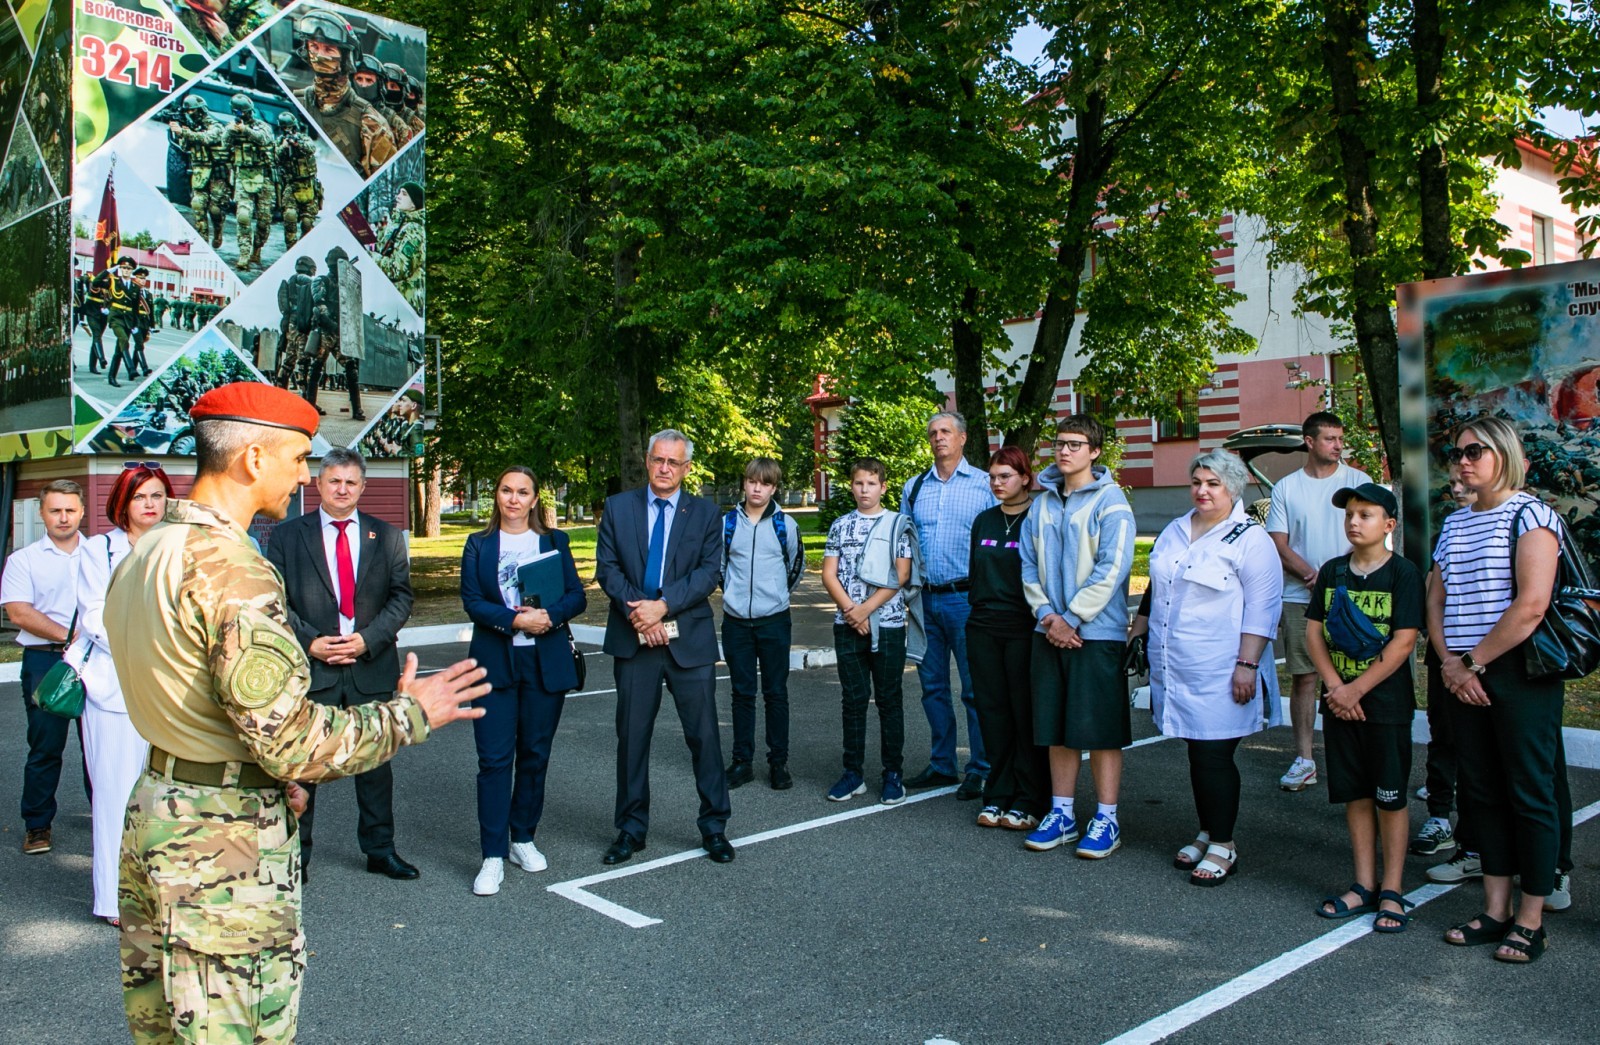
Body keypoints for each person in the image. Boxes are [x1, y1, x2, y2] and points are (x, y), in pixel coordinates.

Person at [105, 382, 490, 1041]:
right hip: (221, 849)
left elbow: (196, 692)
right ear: (253, 457)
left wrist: (264, 768)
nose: (304, 476)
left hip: (158, 811)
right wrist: (411, 712)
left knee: (165, 1029)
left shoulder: (147, 551)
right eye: (297, 457)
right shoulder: (230, 567)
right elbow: (293, 741)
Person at [1430, 418, 1564, 964]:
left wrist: (1472, 664)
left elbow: (1531, 605)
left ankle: (1531, 920)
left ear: (1504, 454)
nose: (1463, 460)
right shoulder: (1456, 522)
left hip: (1515, 674)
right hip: (1462, 674)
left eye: (1475, 451)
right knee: (1480, 793)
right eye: (1456, 452)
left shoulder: (1532, 515)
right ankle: (1494, 909)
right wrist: (1448, 664)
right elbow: (1435, 598)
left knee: (1529, 794)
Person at [265, 448, 420, 883]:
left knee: (374, 764)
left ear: (363, 487)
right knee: (304, 764)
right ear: (318, 484)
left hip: (369, 665)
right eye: (334, 481)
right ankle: (297, 857)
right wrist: (311, 642)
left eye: (351, 482)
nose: (343, 489)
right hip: (313, 668)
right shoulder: (287, 537)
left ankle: (380, 850)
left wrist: (367, 640)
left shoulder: (386, 537)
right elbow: (275, 600)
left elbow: (401, 597)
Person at [1134, 450, 1282, 886]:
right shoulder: (1176, 530)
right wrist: (1136, 633)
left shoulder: (1250, 539)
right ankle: (1207, 829)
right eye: (1197, 481)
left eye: (1213, 483)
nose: (1202, 490)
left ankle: (1224, 843)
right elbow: (1156, 589)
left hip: (1223, 667)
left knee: (1214, 754)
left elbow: (1263, 608)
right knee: (1198, 752)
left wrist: (1246, 665)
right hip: (1178, 665)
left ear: (1233, 488)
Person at [594, 429, 734, 865]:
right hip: (634, 638)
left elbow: (709, 572)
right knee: (632, 739)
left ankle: (714, 827)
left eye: (674, 462)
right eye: (658, 460)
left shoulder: (707, 514)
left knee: (704, 737)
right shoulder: (619, 508)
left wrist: (663, 607)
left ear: (686, 467)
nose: (665, 469)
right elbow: (608, 567)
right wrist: (641, 613)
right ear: (647, 461)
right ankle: (631, 830)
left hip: (687, 641)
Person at [459, 466, 587, 895]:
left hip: (543, 663)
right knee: (494, 761)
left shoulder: (554, 541)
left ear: (535, 499)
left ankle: (523, 838)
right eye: (506, 490)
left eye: (523, 492)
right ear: (496, 496)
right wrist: (515, 619)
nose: (513, 499)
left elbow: (577, 595)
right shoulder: (478, 545)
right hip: (494, 664)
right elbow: (473, 602)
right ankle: (492, 855)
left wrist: (548, 617)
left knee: (534, 755)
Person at [1305, 483, 1425, 931]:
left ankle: (1393, 889)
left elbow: (1403, 640)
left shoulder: (1403, 574)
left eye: (1366, 515)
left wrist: (1357, 690)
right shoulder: (1333, 571)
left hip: (1385, 706)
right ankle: (1364, 883)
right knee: (1355, 795)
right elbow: (1314, 632)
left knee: (1389, 797)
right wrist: (1337, 687)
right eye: (1350, 514)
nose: (1354, 522)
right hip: (1339, 703)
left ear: (1389, 524)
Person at [1019, 416, 1136, 857]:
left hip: (1096, 634)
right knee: (1056, 729)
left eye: (1075, 444)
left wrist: (1073, 617)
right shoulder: (1042, 503)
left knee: (1101, 732)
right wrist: (1049, 616)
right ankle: (1063, 814)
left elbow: (1114, 567)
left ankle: (1107, 819)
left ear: (1095, 451)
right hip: (1049, 630)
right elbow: (1027, 566)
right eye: (1059, 443)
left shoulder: (1112, 502)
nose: (1064, 451)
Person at [72, 463, 174, 923]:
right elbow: (94, 615)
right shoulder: (99, 550)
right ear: (122, 503)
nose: (150, 504)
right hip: (114, 687)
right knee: (116, 794)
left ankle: (163, 891)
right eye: (140, 497)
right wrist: (146, 645)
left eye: (157, 495)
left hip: (169, 688)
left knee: (167, 794)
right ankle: (114, 899)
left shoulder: (178, 545)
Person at [1266, 410, 1371, 792]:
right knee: (1305, 677)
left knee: (1357, 676)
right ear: (1309, 442)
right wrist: (1313, 577)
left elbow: (1371, 538)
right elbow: (1278, 543)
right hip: (1299, 597)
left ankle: (1359, 756)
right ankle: (1305, 759)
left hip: (1356, 595)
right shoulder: (1287, 488)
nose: (1339, 446)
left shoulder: (1360, 481)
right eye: (1330, 439)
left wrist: (1336, 579)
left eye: (1341, 439)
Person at [900, 411, 996, 799]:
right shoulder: (915, 486)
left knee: (975, 690)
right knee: (932, 687)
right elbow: (904, 541)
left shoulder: (983, 485)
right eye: (933, 433)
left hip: (967, 599)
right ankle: (942, 764)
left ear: (962, 438)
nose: (939, 438)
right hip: (925, 601)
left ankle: (981, 767)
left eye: (946, 432)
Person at [822, 457, 917, 805]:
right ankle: (853, 773)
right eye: (859, 483)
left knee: (889, 700)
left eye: (872, 484)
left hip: (888, 624)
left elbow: (900, 576)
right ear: (852, 485)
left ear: (883, 487)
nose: (865, 490)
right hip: (847, 625)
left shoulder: (897, 525)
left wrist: (865, 610)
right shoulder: (840, 526)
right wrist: (851, 611)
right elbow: (829, 573)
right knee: (853, 700)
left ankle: (893, 774)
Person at [1, 479, 86, 856]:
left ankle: (109, 817)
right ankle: (37, 825)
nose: (63, 517)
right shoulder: (23, 560)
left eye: (70, 509)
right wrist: (71, 637)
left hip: (96, 660)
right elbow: (19, 612)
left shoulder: (101, 555)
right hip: (45, 660)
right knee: (45, 747)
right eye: (55, 510)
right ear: (42, 514)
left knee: (100, 745)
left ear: (82, 511)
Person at [965, 446, 1048, 832]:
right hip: (983, 628)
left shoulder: (1040, 517)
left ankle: (1029, 799)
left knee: (1023, 715)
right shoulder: (984, 521)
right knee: (992, 714)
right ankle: (997, 795)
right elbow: (976, 575)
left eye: (1006, 477)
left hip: (1024, 629)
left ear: (1026, 478)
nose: (997, 483)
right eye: (993, 477)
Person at [720, 457, 805, 791]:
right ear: (744, 483)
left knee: (776, 693)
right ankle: (742, 762)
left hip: (774, 622)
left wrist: (776, 595)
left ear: (774, 487)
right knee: (742, 693)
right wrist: (735, 595)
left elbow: (795, 566)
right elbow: (720, 565)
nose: (757, 489)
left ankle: (778, 762)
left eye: (765, 483)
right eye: (752, 481)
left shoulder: (786, 524)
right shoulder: (727, 523)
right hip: (736, 623)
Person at [291, 9, 396, 178]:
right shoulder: (296, 102)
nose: (320, 55)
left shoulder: (371, 124)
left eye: (329, 50)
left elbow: (382, 182)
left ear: (346, 57)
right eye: (314, 47)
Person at [226, 94, 275, 270]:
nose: (242, 115)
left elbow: (264, 138)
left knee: (264, 220)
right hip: (243, 175)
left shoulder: (262, 126)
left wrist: (245, 130)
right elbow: (224, 144)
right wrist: (232, 131)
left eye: (245, 112)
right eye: (238, 112)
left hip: (264, 177)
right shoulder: (231, 127)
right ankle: (244, 254)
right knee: (243, 216)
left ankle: (257, 248)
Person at [374, 182, 425, 314]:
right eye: (399, 193)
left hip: (403, 302)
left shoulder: (415, 230)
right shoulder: (401, 224)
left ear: (414, 203)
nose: (398, 197)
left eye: (404, 194)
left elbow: (398, 269)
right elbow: (386, 252)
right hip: (393, 298)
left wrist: (371, 257)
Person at [274, 111, 322, 248]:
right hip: (291, 185)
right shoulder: (279, 142)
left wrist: (297, 144)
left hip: (309, 185)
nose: (287, 131)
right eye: (284, 128)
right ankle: (291, 247)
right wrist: (284, 147)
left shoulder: (303, 138)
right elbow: (275, 158)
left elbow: (311, 148)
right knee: (289, 216)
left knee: (307, 222)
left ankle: (303, 244)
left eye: (289, 128)